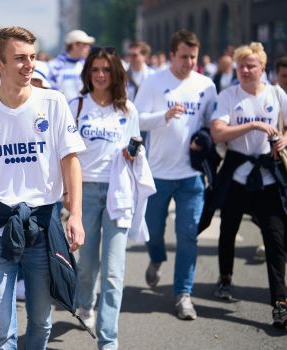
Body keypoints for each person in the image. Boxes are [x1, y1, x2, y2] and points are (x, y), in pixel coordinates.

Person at [0, 26, 85, 349]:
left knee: (40, 322)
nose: (30, 65)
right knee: (1, 330)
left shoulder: (53, 102)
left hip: (42, 228)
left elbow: (71, 161)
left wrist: (75, 215)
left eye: (33, 58)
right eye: (20, 59)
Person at [134, 30, 217, 320]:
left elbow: (212, 125)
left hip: (191, 175)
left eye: (193, 57)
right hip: (157, 173)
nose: (189, 62)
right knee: (153, 231)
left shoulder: (206, 85)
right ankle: (156, 258)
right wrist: (163, 117)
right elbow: (136, 118)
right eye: (183, 56)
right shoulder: (154, 82)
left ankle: (183, 294)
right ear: (172, 55)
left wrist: (204, 140)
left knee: (188, 235)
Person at [208, 42, 287, 328]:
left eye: (251, 65)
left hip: (267, 177)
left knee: (276, 239)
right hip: (237, 175)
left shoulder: (277, 95)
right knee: (228, 229)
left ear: (262, 69)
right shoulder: (229, 95)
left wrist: (282, 140)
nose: (244, 70)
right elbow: (218, 132)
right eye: (241, 65)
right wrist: (253, 125)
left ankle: (280, 301)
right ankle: (225, 278)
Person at [70, 46, 142, 349]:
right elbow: (66, 154)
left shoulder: (127, 109)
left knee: (113, 271)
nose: (100, 75)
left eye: (106, 70)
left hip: (117, 193)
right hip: (84, 192)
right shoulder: (76, 105)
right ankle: (85, 304)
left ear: (116, 74)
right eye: (95, 69)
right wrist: (66, 194)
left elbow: (137, 149)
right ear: (88, 73)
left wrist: (131, 153)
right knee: (86, 265)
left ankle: (108, 340)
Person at [48, 29, 95, 101]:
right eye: (85, 45)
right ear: (75, 45)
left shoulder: (88, 66)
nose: (89, 48)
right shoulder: (53, 66)